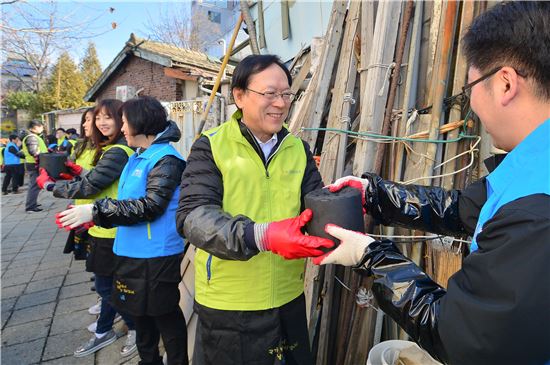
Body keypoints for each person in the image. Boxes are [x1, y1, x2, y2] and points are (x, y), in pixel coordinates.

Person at [302, 2, 550, 365]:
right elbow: (463, 208)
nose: (471, 104)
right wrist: (377, 196)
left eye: (470, 90)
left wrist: (372, 257)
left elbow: (463, 337)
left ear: (505, 83)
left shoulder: (536, 214)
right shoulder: (531, 167)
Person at [177, 54, 334, 365]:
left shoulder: (297, 149)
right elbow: (193, 217)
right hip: (229, 305)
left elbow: (315, 206)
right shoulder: (211, 146)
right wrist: (261, 235)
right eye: (269, 93)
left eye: (286, 94)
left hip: (287, 299)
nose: (280, 103)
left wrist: (345, 203)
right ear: (239, 96)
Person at [58, 96, 189, 365]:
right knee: (139, 313)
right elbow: (124, 201)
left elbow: (150, 207)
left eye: (125, 123)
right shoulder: (138, 156)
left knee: (163, 314)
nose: (123, 129)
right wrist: (96, 217)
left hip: (157, 255)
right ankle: (148, 360)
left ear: (140, 124)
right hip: (131, 251)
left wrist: (97, 211)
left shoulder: (167, 160)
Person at [37, 99, 137, 358]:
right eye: (97, 118)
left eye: (108, 118)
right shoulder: (109, 148)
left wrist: (50, 187)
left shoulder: (118, 150)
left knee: (109, 288)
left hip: (111, 230)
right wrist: (77, 173)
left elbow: (92, 186)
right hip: (98, 225)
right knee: (107, 286)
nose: (100, 123)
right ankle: (107, 329)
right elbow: (94, 180)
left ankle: (135, 328)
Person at [21, 120, 47, 212]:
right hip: (34, 164)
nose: (42, 128)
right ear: (34, 128)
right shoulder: (31, 137)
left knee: (35, 185)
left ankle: (33, 203)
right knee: (34, 185)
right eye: (41, 126)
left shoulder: (33, 137)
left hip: (34, 164)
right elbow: (33, 152)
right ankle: (30, 206)